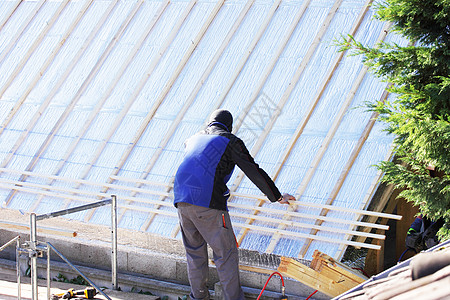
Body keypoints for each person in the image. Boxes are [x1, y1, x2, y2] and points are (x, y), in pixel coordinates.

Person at [173, 109, 296, 300]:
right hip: (208, 202)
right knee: (225, 254)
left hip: (181, 199)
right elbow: (252, 170)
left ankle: (197, 298)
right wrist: (276, 196)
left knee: (194, 253)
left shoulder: (192, 139)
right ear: (229, 127)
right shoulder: (229, 141)